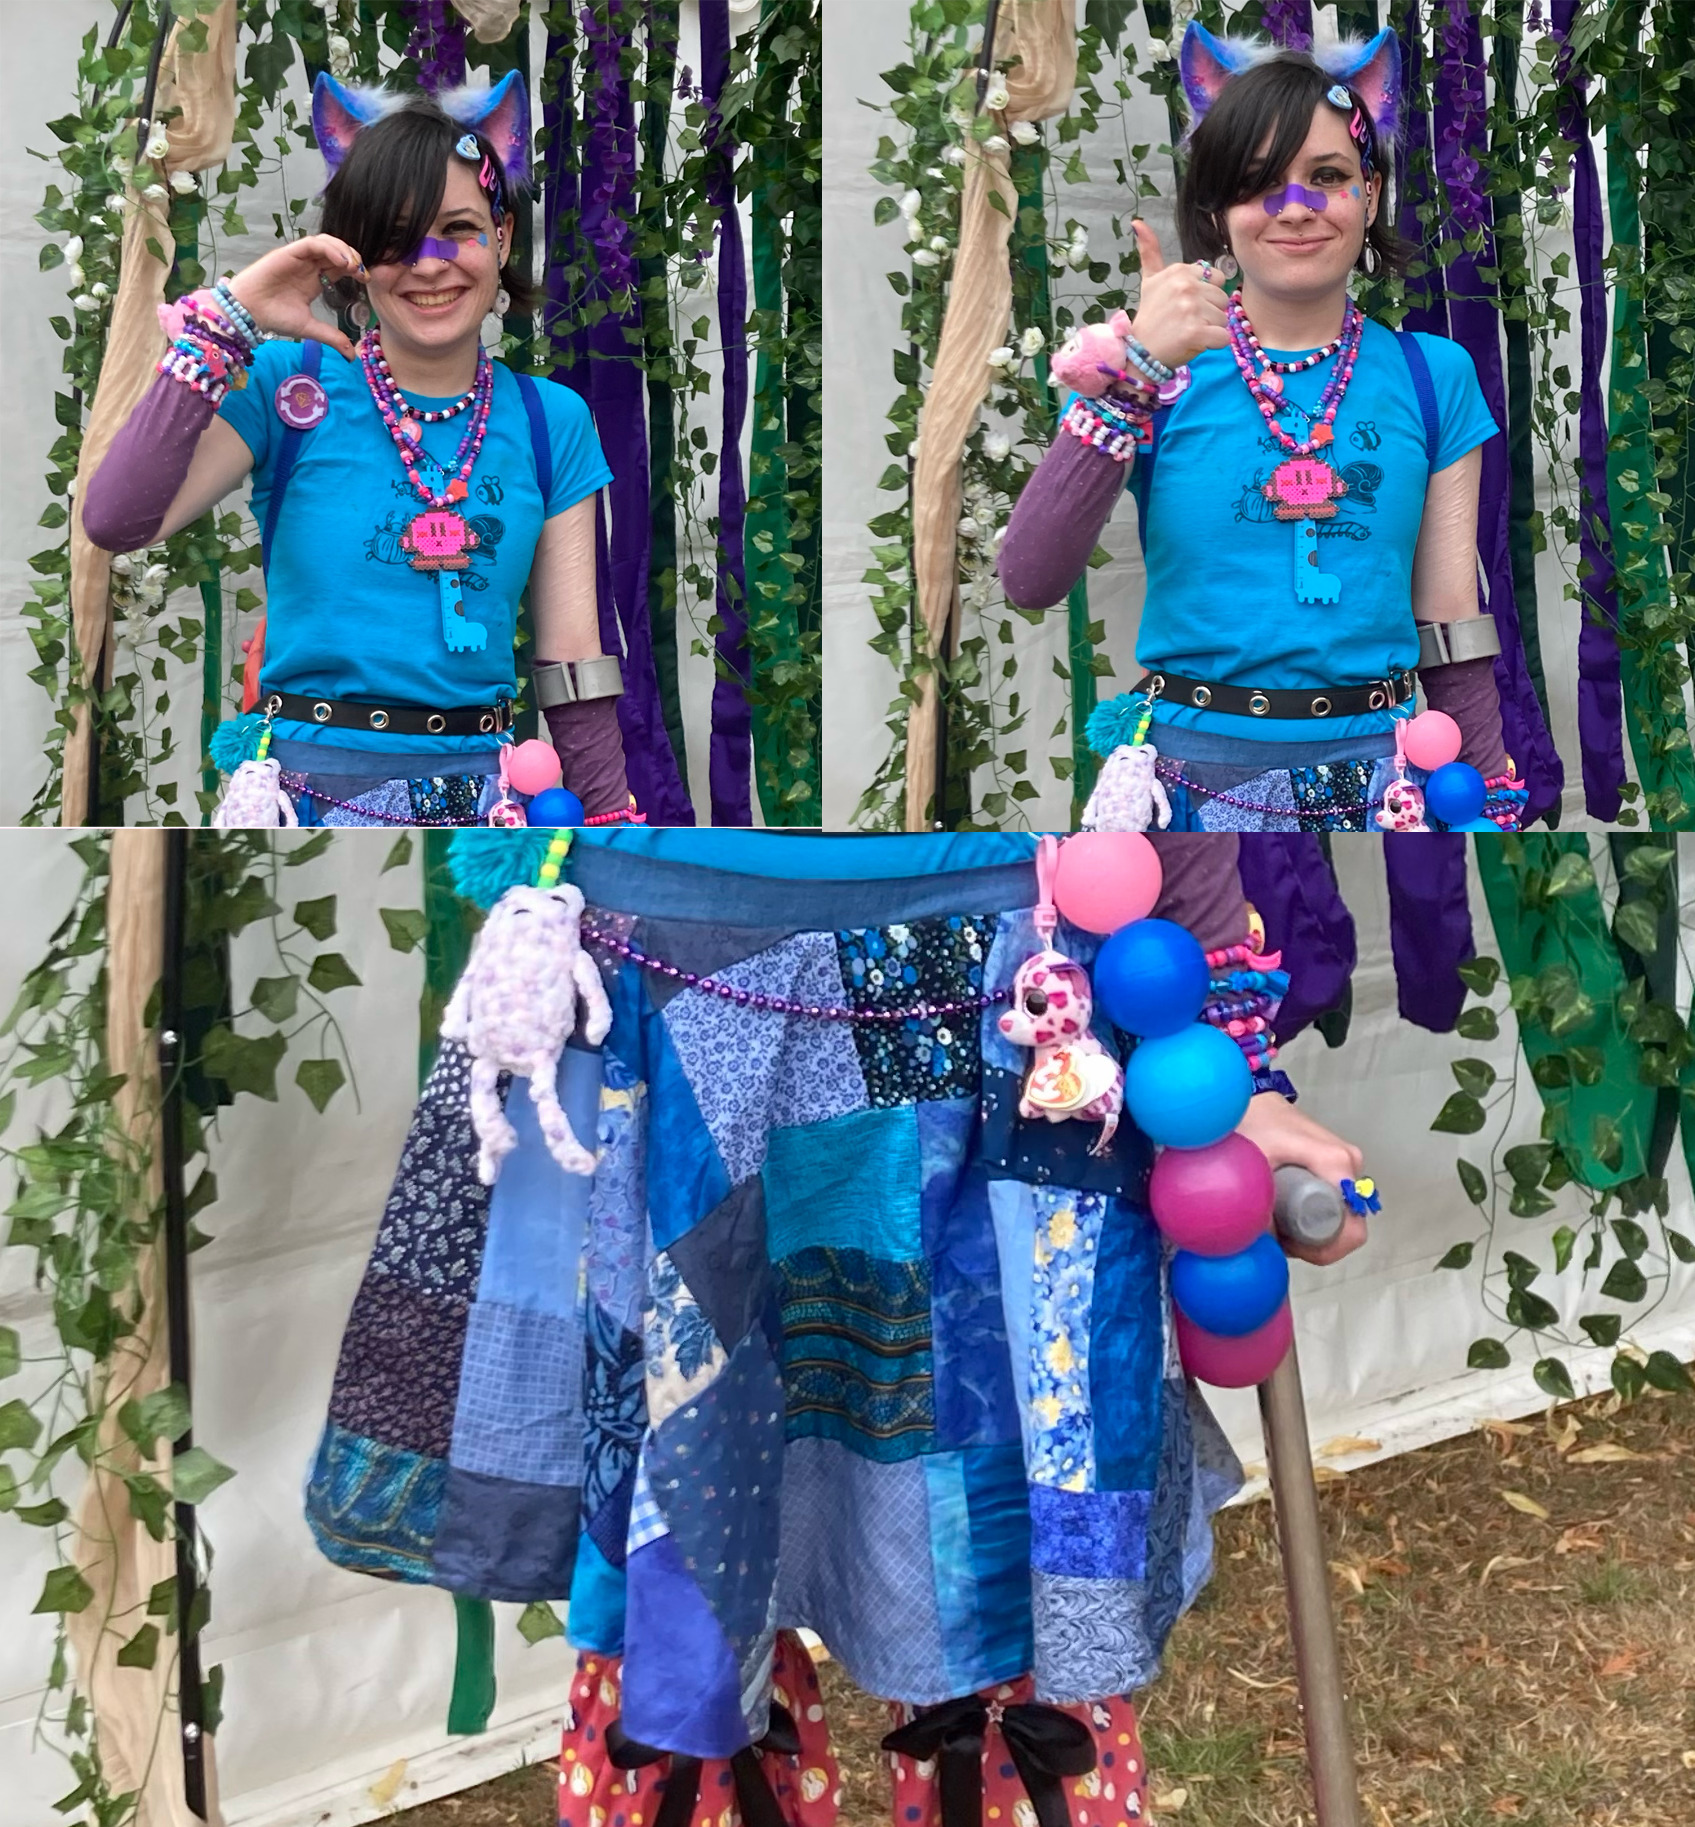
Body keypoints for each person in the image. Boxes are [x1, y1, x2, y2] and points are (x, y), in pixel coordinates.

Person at [302, 828, 1368, 1827]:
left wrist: (1235, 1056)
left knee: (1004, 1545)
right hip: (645, 988)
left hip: (1019, 1007)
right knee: (677, 1541)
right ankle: (695, 1743)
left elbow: (1159, 807)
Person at [998, 23, 1526, 836]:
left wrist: (1487, 788)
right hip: (1187, 783)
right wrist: (1135, 370)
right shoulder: (1154, 372)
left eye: (1327, 175)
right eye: (1257, 182)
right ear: (1216, 207)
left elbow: (1450, 613)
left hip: (1383, 785)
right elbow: (1029, 579)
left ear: (1371, 192)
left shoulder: (1433, 376)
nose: (1295, 209)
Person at [82, 73, 638, 829]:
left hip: (480, 808)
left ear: (502, 236)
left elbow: (573, 659)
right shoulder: (286, 387)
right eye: (393, 240)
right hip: (303, 805)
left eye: (461, 230)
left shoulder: (551, 419)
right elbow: (115, 519)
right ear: (349, 256)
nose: (430, 263)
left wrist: (611, 831)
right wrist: (229, 318)